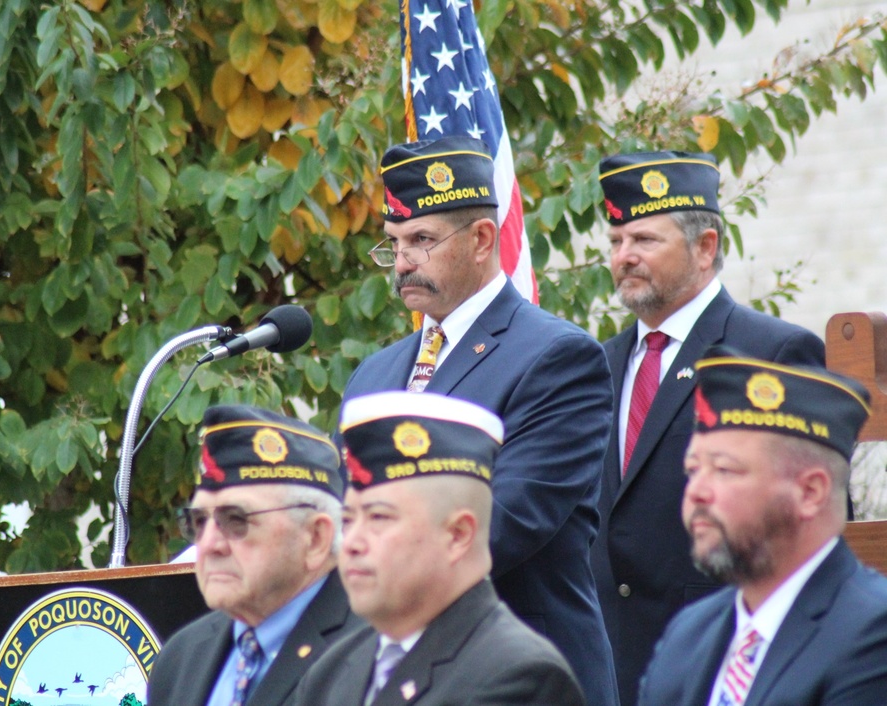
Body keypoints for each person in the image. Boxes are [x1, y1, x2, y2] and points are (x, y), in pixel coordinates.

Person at [342, 135, 617, 705]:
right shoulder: (373, 375)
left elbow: (506, 520)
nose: (402, 263)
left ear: (483, 239)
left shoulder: (557, 357)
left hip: (521, 677)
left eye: (421, 240)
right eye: (393, 244)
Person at [591, 150, 826, 706]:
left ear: (706, 246)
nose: (624, 257)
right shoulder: (598, 364)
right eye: (616, 242)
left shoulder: (769, 351)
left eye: (644, 240)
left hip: (720, 661)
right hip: (607, 667)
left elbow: (800, 522)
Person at [296, 391, 586, 705]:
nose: (351, 543)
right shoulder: (332, 669)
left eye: (378, 517)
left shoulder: (518, 675)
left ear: (458, 535)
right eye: (348, 520)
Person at [638, 348, 887, 705]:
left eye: (724, 469)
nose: (696, 492)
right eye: (693, 470)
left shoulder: (872, 636)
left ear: (809, 491)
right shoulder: (689, 634)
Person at [147, 405, 364, 706]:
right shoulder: (181, 657)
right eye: (199, 522)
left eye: (236, 519)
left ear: (316, 538)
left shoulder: (373, 656)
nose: (209, 544)